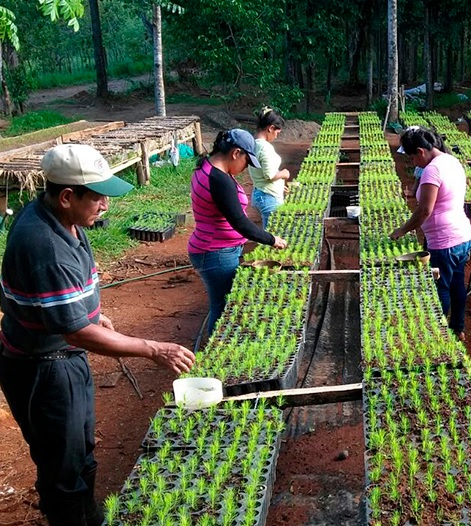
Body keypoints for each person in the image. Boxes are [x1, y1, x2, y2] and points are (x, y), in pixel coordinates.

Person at [0, 144, 196, 526]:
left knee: (82, 452)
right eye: (98, 196)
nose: (106, 204)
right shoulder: (43, 244)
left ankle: (88, 516)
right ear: (68, 196)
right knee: (63, 470)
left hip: (61, 358)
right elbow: (75, 332)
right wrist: (152, 348)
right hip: (43, 369)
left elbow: (68, 309)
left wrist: (93, 313)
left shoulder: (62, 219)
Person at [189, 128, 288, 335]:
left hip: (211, 248)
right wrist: (271, 239)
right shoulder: (219, 179)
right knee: (223, 308)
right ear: (236, 153)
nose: (244, 168)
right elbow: (239, 222)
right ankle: (215, 354)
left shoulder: (205, 167)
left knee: (221, 304)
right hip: (216, 252)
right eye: (246, 161)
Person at [390, 127, 471, 341]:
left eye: (411, 157)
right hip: (462, 236)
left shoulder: (432, 170)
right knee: (457, 284)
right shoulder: (451, 161)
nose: (412, 163)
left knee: (441, 288)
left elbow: (425, 210)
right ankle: (458, 329)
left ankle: (440, 338)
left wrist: (402, 230)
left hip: (443, 241)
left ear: (420, 151)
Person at [248, 106, 290, 229]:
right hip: (268, 197)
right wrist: (284, 173)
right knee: (273, 236)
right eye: (277, 133)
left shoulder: (253, 144)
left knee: (270, 231)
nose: (276, 136)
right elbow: (270, 175)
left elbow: (263, 172)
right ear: (271, 128)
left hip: (260, 192)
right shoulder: (265, 148)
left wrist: (281, 186)